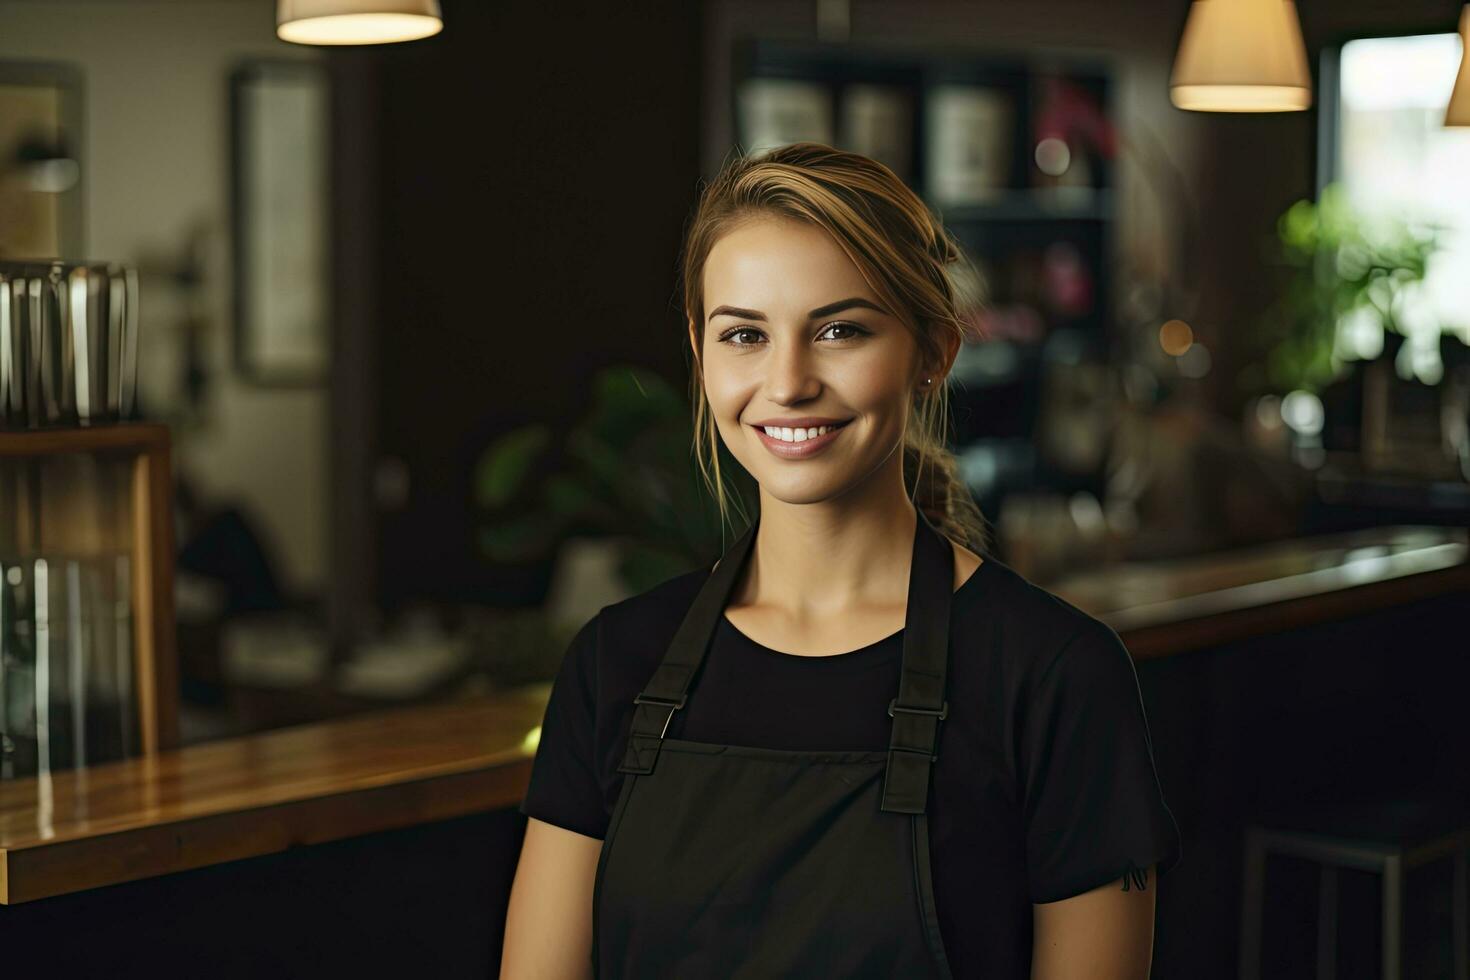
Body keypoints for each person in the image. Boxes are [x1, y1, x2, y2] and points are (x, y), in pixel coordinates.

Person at [502, 142, 1181, 979]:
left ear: (934, 350)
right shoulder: (613, 665)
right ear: (701, 352)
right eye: (744, 334)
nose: (787, 382)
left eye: (839, 330)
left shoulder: (1054, 677)